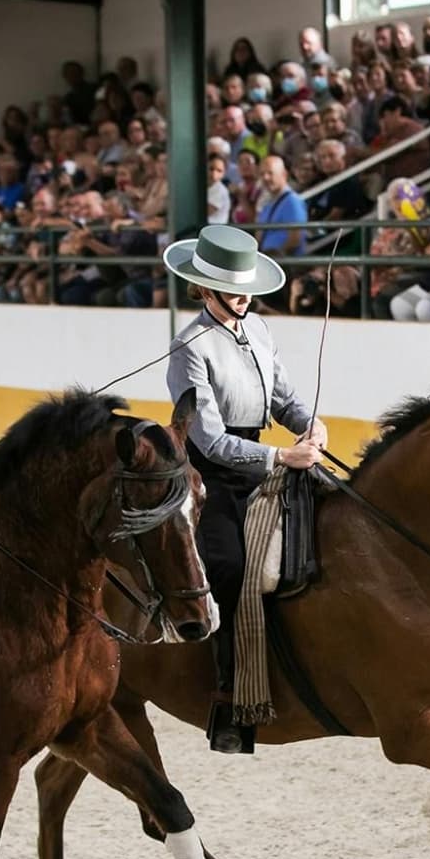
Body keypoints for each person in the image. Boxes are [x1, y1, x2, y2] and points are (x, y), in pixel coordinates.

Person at [163, 226, 325, 753]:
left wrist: (311, 424)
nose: (242, 294)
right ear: (203, 288)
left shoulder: (257, 327)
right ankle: (231, 697)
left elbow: (283, 397)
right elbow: (207, 439)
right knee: (229, 568)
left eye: (245, 285)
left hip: (268, 457)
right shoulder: (189, 344)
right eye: (228, 286)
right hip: (214, 477)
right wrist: (280, 456)